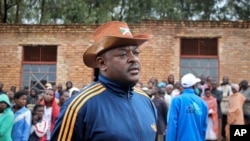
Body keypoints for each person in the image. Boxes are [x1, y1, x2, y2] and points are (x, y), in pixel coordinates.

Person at [51, 21, 157, 141]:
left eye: (136, 52)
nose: (133, 59)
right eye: (122, 54)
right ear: (102, 63)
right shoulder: (79, 107)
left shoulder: (146, 101)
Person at [166, 73, 208, 141]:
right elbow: (204, 127)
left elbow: (172, 126)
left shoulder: (176, 101)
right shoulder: (202, 103)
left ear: (182, 86)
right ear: (194, 85)